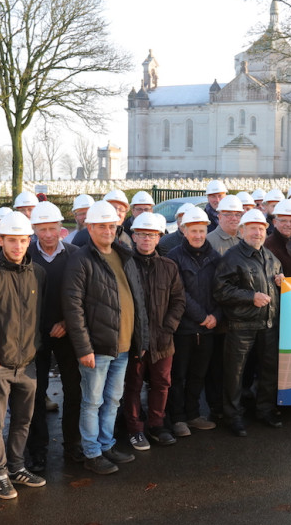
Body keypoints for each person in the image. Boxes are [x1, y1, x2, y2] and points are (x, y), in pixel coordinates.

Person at [62, 200, 143, 475]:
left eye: (111, 225)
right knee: (92, 401)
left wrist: (138, 340)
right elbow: (73, 307)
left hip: (122, 345)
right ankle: (92, 452)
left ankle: (107, 445)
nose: (108, 230)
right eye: (101, 226)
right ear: (90, 226)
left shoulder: (123, 254)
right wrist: (83, 348)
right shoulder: (80, 259)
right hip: (97, 347)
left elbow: (136, 299)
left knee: (112, 400)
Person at [0, 212, 46, 498]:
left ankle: (16, 467)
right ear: (0, 240)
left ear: (29, 241)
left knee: (23, 420)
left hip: (27, 364)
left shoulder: (38, 273)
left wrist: (33, 350)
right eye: (11, 240)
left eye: (23, 240)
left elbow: (39, 316)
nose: (17, 246)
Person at [214, 209, 284, 435]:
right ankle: (232, 416)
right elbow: (220, 291)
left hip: (267, 325)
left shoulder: (271, 257)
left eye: (261, 228)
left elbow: (277, 284)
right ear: (242, 230)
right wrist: (250, 297)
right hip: (241, 326)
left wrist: (282, 282)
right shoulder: (232, 257)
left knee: (268, 370)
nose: (257, 232)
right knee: (235, 373)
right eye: (252, 228)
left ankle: (265, 410)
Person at [121, 212, 186, 449]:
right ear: (134, 237)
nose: (147, 239)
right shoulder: (125, 265)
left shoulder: (168, 266)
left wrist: (168, 327)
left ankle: (157, 425)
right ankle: (135, 429)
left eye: (151, 235)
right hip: (135, 339)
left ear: (158, 238)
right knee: (133, 385)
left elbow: (179, 300)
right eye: (142, 234)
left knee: (161, 383)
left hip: (163, 339)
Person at [27, 201, 81, 471]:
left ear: (61, 228)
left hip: (66, 332)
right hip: (34, 335)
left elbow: (84, 296)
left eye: (52, 228)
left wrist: (67, 323)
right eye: (42, 229)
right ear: (34, 228)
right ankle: (37, 450)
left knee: (74, 390)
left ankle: (73, 444)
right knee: (36, 394)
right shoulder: (24, 255)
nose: (47, 234)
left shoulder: (75, 254)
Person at [166, 207, 223, 437]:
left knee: (199, 374)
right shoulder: (174, 257)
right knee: (179, 375)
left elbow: (221, 290)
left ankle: (193, 414)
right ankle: (178, 418)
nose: (198, 235)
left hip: (208, 329)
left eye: (201, 230)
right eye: (193, 231)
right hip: (184, 329)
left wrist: (216, 317)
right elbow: (179, 293)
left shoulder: (215, 257)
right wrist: (202, 317)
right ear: (184, 230)